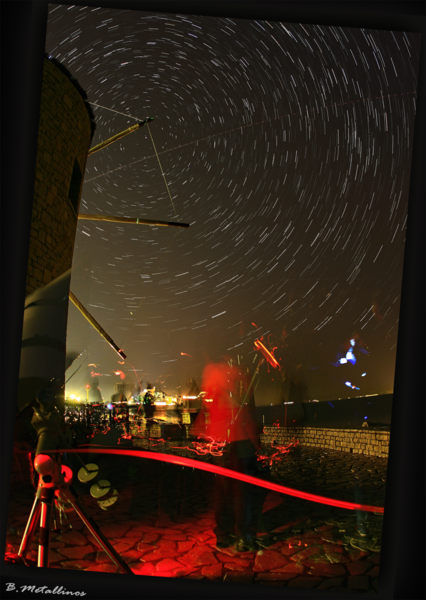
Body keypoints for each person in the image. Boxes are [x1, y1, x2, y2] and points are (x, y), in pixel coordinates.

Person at [191, 363, 261, 552]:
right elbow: (246, 412)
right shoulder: (236, 375)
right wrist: (256, 441)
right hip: (237, 441)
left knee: (223, 492)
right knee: (241, 492)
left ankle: (223, 535)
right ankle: (242, 535)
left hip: (219, 441)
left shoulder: (210, 372)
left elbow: (207, 409)